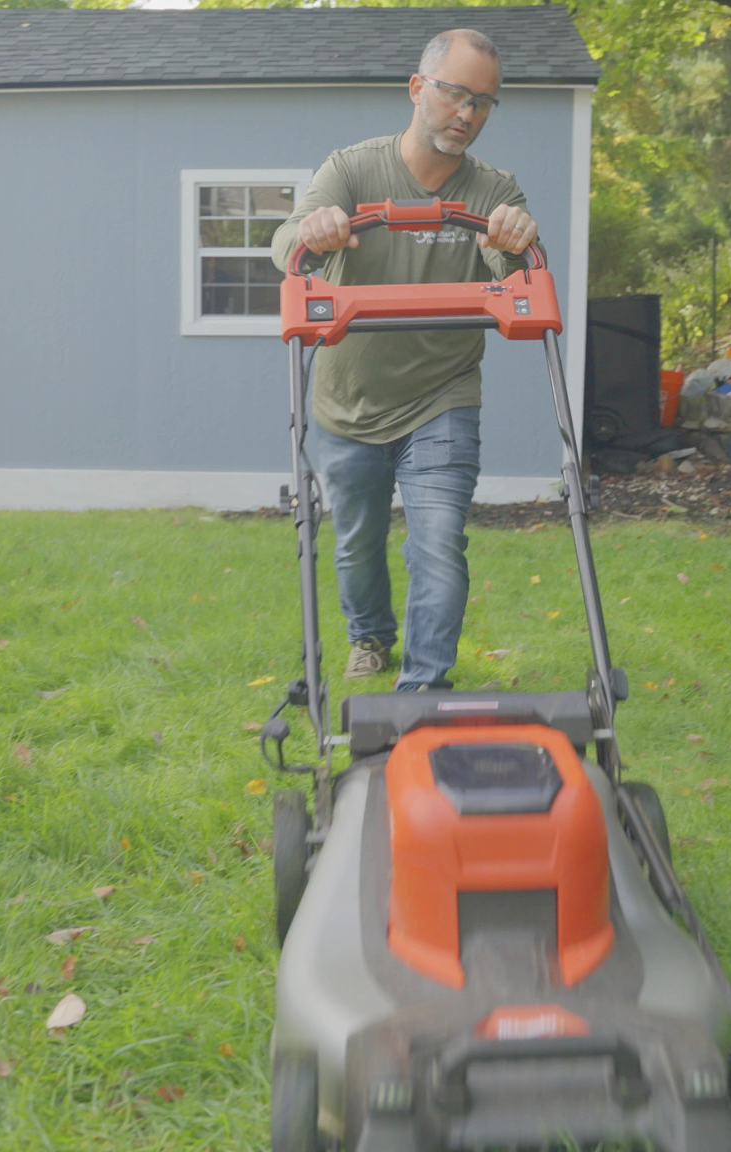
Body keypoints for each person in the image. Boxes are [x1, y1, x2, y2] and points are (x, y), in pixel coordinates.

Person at [270, 28, 538, 693]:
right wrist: (311, 231)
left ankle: (422, 691)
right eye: (455, 94)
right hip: (345, 402)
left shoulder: (493, 190)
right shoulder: (352, 170)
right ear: (418, 88)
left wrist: (512, 241)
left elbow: (513, 264)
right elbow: (283, 247)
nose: (467, 115)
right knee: (356, 546)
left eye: (483, 102)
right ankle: (368, 634)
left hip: (440, 396)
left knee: (438, 543)